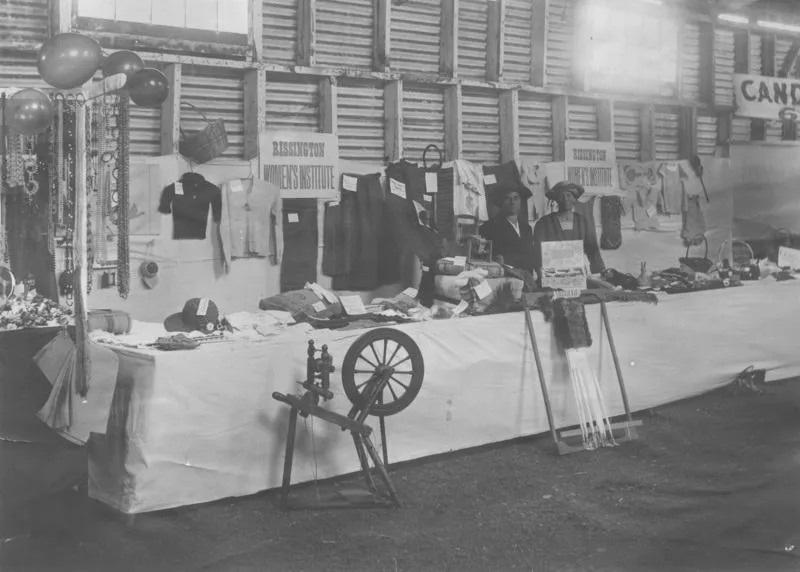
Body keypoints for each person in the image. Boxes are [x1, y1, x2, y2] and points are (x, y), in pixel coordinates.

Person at [532, 181, 605, 283]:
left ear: (575, 199)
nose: (565, 199)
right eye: (561, 196)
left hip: (578, 277)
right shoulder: (544, 223)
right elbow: (537, 253)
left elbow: (593, 251)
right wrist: (542, 276)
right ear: (556, 199)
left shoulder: (582, 222)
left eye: (569, 195)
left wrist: (601, 274)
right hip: (552, 277)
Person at [478, 185, 534, 272]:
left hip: (526, 276)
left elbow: (531, 257)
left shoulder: (527, 228)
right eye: (507, 199)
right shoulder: (489, 227)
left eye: (516, 198)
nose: (512, 202)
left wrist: (506, 259)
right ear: (500, 202)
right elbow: (488, 257)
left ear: (521, 201)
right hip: (503, 275)